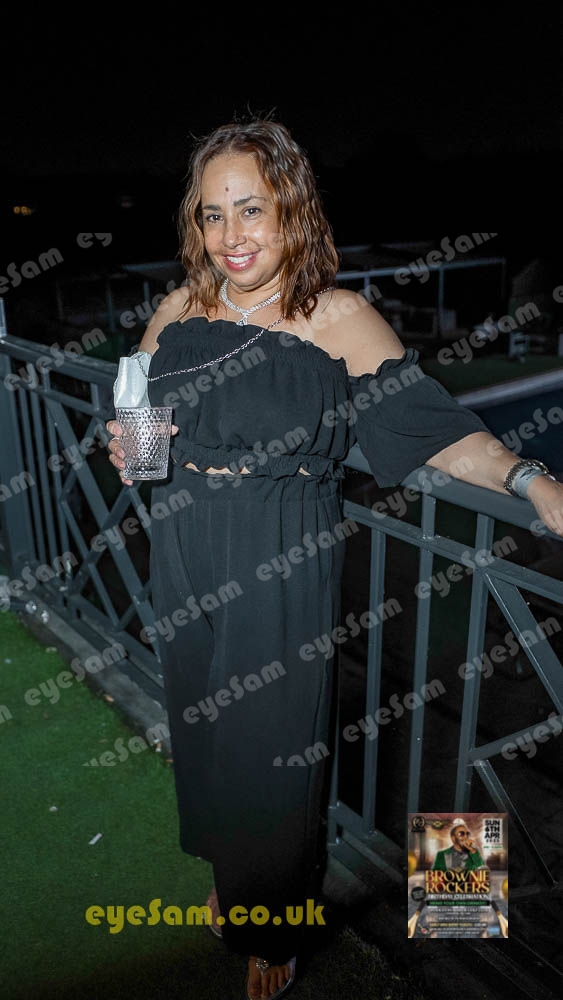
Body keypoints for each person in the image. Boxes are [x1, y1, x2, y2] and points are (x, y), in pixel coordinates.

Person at [106, 117, 563, 999]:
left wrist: (527, 477)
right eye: (212, 214)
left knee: (273, 749)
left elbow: (434, 433)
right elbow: (143, 420)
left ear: (292, 209)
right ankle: (237, 877)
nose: (232, 235)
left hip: (279, 547)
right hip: (185, 541)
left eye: (252, 209)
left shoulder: (337, 317)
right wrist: (132, 449)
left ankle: (271, 922)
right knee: (207, 731)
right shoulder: (177, 308)